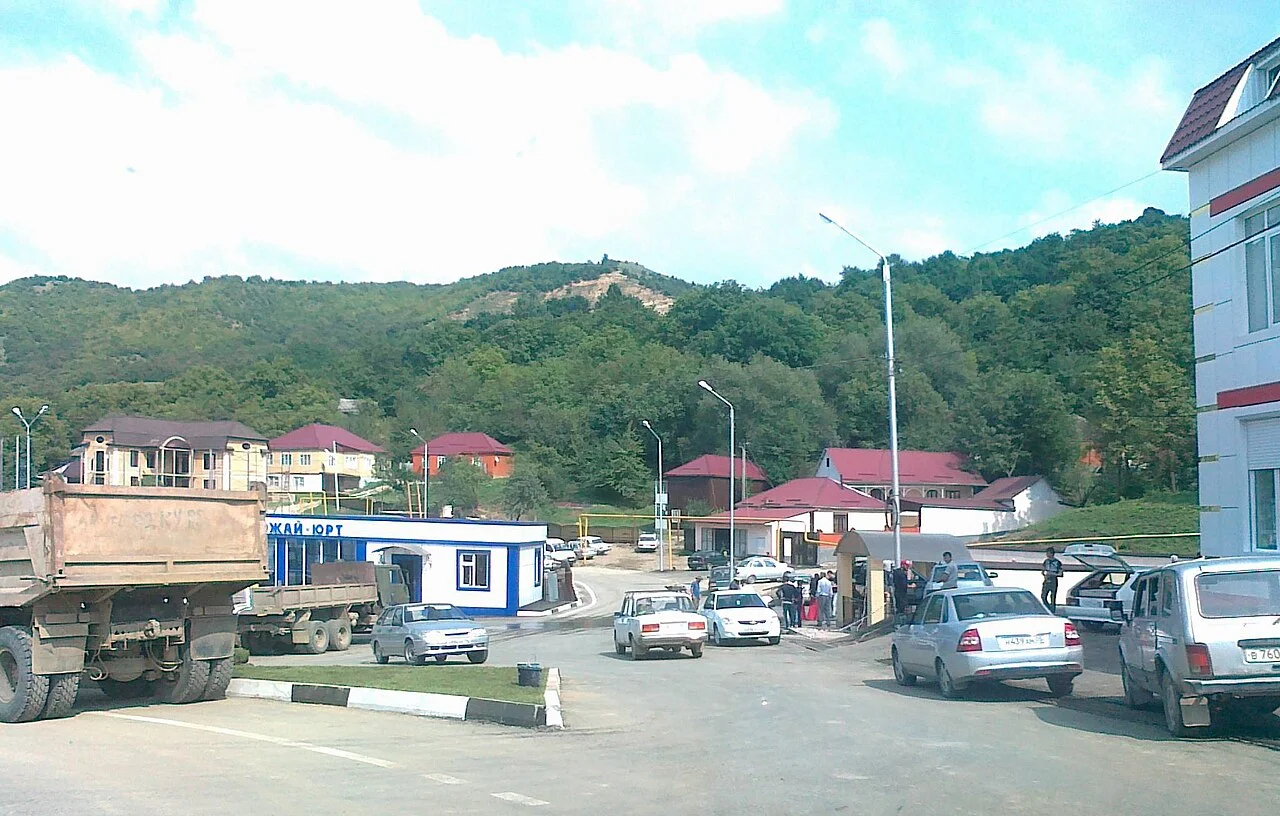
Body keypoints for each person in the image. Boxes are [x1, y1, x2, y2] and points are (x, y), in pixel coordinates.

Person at [1041, 547, 1064, 612]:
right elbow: (1043, 571)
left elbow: (1061, 573)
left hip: (1053, 580)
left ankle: (1052, 610)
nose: (1047, 554)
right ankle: (1047, 608)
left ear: (1052, 553)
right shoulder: (1046, 561)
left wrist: (1053, 574)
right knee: (1043, 596)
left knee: (1053, 596)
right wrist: (1045, 574)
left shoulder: (1057, 562)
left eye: (1048, 553)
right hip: (1047, 579)